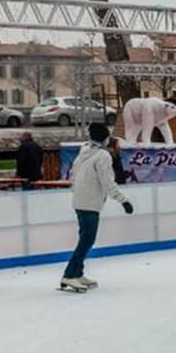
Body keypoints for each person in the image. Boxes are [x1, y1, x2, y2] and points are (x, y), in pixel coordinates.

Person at [62, 123, 134, 293]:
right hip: (90, 202)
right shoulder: (102, 155)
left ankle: (77, 273)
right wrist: (123, 200)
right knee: (87, 240)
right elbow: (108, 182)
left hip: (80, 200)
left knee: (85, 239)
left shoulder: (84, 150)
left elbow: (73, 173)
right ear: (104, 138)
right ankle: (70, 275)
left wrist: (76, 191)